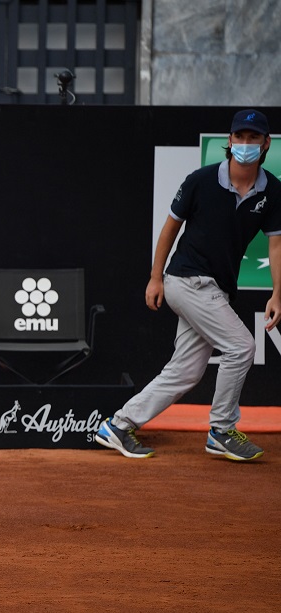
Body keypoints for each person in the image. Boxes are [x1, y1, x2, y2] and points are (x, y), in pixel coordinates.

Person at [96, 109, 281, 461]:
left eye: (253, 138)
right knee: (242, 347)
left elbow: (276, 244)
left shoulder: (273, 191)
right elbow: (170, 228)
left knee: (185, 371)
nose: (245, 144)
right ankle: (222, 430)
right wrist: (155, 277)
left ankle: (118, 425)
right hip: (186, 280)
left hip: (215, 288)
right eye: (239, 137)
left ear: (265, 143)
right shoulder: (201, 180)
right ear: (229, 141)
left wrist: (277, 292)